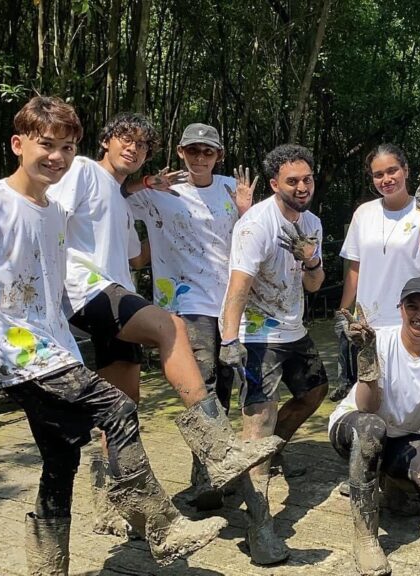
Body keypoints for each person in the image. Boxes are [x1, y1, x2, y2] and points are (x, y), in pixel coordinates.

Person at [0, 96, 254, 573]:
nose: (57, 157)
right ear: (18, 144)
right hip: (35, 346)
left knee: (64, 459)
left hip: (62, 339)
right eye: (48, 145)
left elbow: (129, 252)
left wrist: (179, 213)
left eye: (66, 148)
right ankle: (169, 513)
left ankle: (52, 564)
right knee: (122, 402)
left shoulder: (57, 209)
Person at [48, 113, 279, 537]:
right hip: (87, 290)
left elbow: (137, 255)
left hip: (114, 293)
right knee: (168, 326)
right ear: (106, 141)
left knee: (121, 409)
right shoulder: (80, 169)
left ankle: (110, 506)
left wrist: (160, 205)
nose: (132, 149)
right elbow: (48, 217)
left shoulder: (124, 197)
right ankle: (218, 446)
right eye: (125, 139)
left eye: (141, 145)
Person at [127, 122, 257, 509]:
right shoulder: (160, 192)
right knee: (201, 383)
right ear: (180, 152)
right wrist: (145, 182)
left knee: (222, 386)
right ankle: (208, 475)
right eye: (193, 150)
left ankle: (215, 468)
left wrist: (247, 212)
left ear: (219, 156)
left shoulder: (231, 192)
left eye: (208, 152)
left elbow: (251, 240)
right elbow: (108, 195)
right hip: (186, 303)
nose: (200, 158)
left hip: (230, 304)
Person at [217, 144, 329, 564]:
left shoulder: (312, 222)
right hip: (258, 335)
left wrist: (312, 258)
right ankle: (259, 525)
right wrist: (230, 340)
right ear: (274, 184)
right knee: (258, 423)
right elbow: (238, 286)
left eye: (308, 179)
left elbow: (315, 284)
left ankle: (261, 457)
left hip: (294, 328)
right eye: (293, 181)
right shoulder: (255, 226)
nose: (302, 187)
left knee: (316, 391)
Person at [328, 277, 420, 576]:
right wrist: (367, 359)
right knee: (371, 428)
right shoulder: (380, 340)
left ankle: (389, 483)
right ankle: (366, 536)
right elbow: (367, 406)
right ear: (400, 309)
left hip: (401, 436)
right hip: (354, 425)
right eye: (412, 306)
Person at [338, 143, 420, 329]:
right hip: (369, 324)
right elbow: (355, 269)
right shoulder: (363, 213)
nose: (386, 179)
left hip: (414, 322)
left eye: (392, 171)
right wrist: (343, 313)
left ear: (406, 170)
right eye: (378, 175)